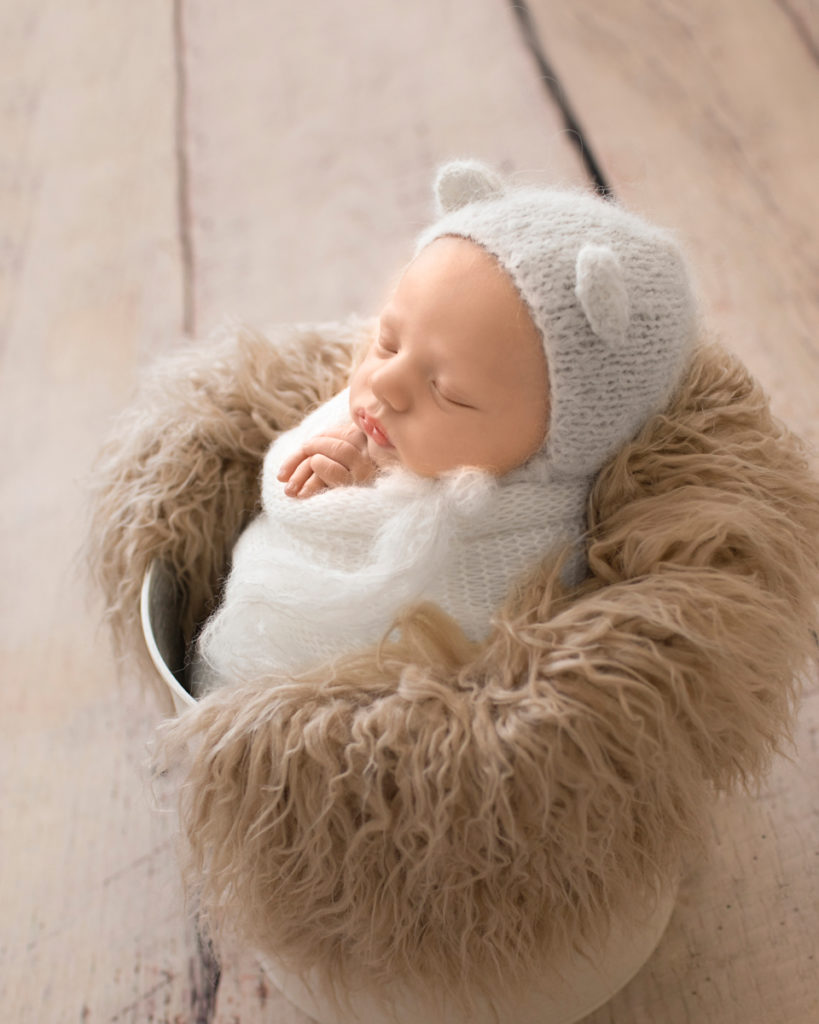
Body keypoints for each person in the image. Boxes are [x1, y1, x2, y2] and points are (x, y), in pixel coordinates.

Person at [193, 160, 696, 694]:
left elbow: (476, 667)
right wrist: (349, 455)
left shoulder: (530, 542)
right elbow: (296, 496)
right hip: (234, 667)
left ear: (552, 444)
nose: (385, 382)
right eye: (388, 340)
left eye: (448, 392)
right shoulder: (373, 411)